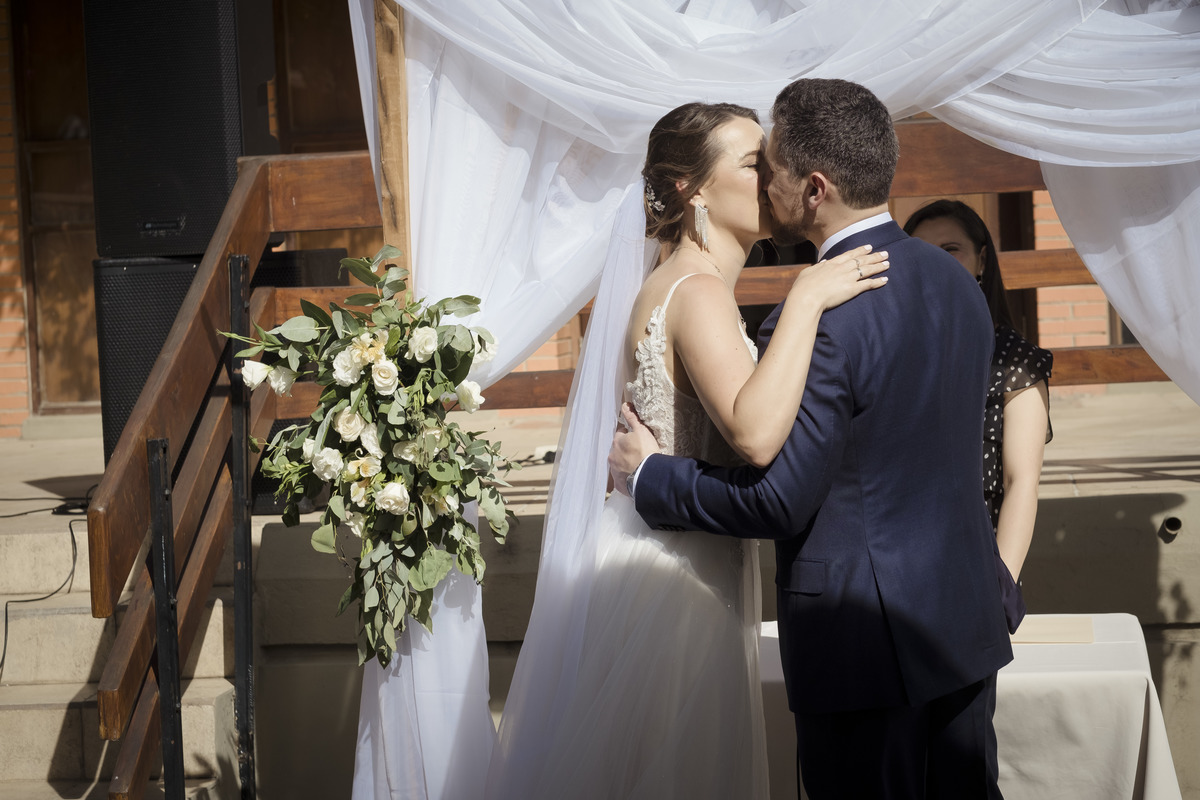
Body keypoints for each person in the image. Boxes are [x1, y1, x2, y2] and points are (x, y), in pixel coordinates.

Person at [610, 79, 1012, 799]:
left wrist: (652, 479)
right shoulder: (956, 283)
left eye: (774, 166)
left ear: (815, 187)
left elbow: (780, 502)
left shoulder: (824, 321)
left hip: (864, 648)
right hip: (964, 623)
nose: (767, 181)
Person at [485, 101, 887, 800]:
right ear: (690, 189)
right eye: (754, 163)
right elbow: (757, 435)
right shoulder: (697, 292)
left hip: (668, 553)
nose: (774, 177)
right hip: (678, 578)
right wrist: (805, 301)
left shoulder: (684, 284)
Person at [904, 199, 1052, 587]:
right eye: (920, 251)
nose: (936, 263)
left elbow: (1022, 481)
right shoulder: (889, 351)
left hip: (977, 570)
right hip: (895, 565)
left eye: (951, 250)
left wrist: (1001, 583)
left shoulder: (1015, 361)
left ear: (981, 261)